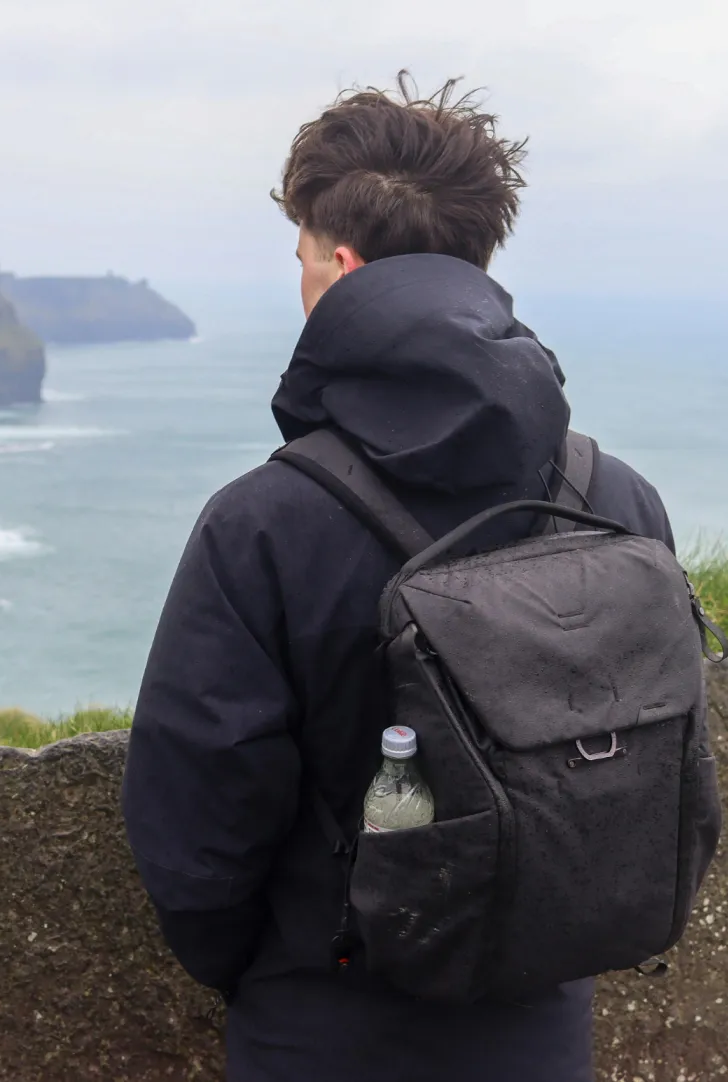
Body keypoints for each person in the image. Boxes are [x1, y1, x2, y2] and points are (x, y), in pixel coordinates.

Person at [120, 72, 676, 1082]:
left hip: (322, 1022)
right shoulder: (615, 499)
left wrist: (267, 972)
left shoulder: (263, 523)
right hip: (543, 1027)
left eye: (299, 258)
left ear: (338, 267)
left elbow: (197, 821)